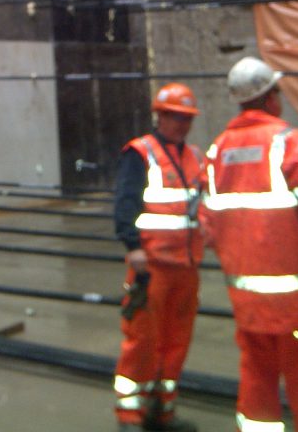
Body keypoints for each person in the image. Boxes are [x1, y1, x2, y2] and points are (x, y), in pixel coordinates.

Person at [200, 56, 298, 432]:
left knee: (257, 377)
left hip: (247, 299)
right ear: (271, 97)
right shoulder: (292, 144)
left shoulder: (218, 151)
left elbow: (208, 225)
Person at [113, 83, 203, 432]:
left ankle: (162, 412)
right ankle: (130, 416)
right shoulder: (140, 153)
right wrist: (132, 245)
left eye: (186, 119)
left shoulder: (194, 156)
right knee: (142, 341)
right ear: (159, 116)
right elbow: (125, 202)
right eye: (175, 117)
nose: (181, 124)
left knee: (176, 343)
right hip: (150, 267)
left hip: (186, 266)